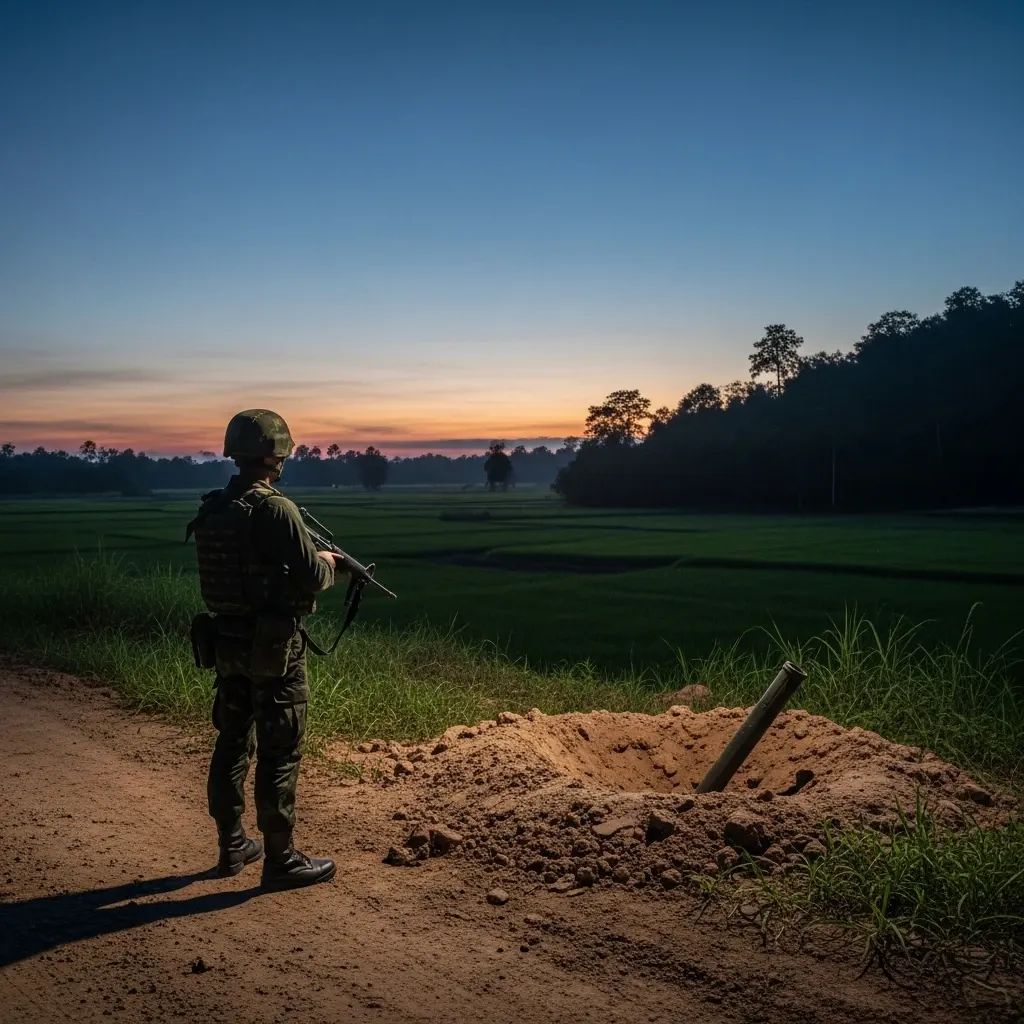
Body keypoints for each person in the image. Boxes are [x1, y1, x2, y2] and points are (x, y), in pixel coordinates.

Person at [188, 409, 339, 890]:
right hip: (274, 649)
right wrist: (330, 562)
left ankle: (232, 845)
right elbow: (313, 578)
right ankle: (281, 859)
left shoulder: (216, 506)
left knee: (232, 740)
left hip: (227, 643)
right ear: (278, 454)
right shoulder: (275, 509)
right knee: (280, 750)